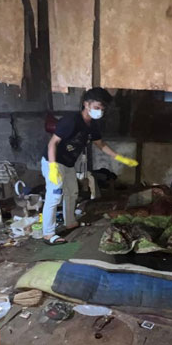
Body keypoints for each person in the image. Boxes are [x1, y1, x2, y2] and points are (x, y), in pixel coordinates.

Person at [41, 87, 138, 245]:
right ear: (86, 104)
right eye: (97, 107)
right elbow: (53, 143)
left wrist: (119, 157)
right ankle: (48, 234)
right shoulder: (71, 120)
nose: (100, 111)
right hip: (53, 161)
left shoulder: (92, 125)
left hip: (68, 163)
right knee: (54, 196)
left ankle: (70, 223)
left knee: (72, 192)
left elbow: (100, 144)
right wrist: (52, 168)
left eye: (102, 109)